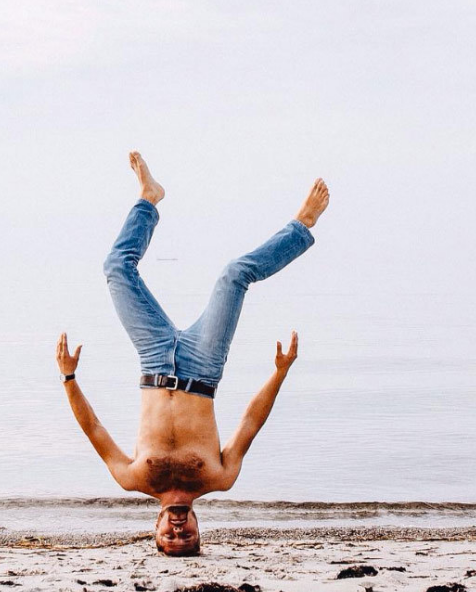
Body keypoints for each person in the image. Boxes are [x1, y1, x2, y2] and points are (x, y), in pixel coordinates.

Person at [56, 151, 329, 556]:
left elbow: (93, 429)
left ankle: (148, 199)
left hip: (152, 359)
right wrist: (280, 373)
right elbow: (251, 422)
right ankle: (301, 226)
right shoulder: (218, 478)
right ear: (200, 529)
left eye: (170, 537)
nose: (178, 530)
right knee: (235, 274)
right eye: (187, 537)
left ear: (156, 529)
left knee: (116, 267)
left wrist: (68, 378)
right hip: (204, 367)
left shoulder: (133, 479)